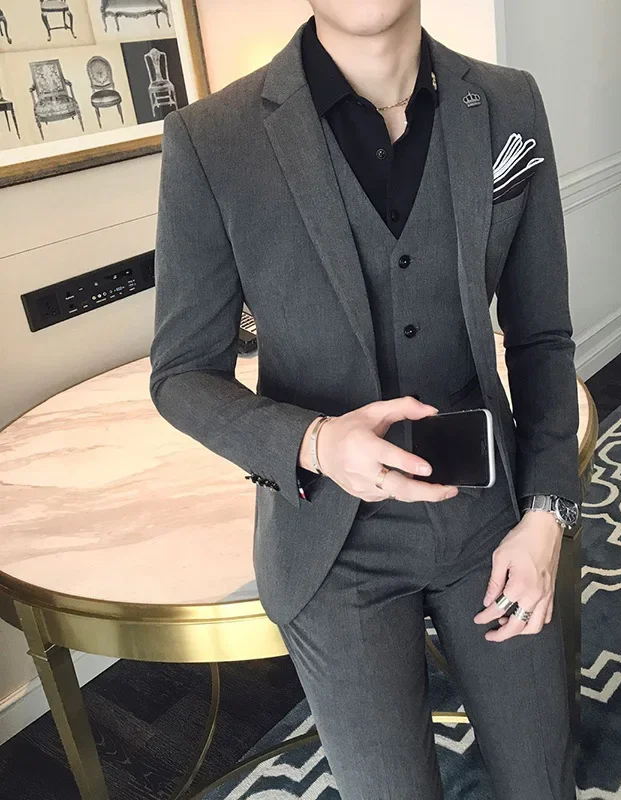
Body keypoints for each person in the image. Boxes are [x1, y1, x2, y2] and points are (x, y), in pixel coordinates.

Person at [149, 1, 581, 797]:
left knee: (543, 778)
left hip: (491, 511)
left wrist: (547, 515)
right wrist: (315, 442)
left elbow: (543, 337)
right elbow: (180, 374)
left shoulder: (509, 101)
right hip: (331, 542)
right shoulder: (213, 138)